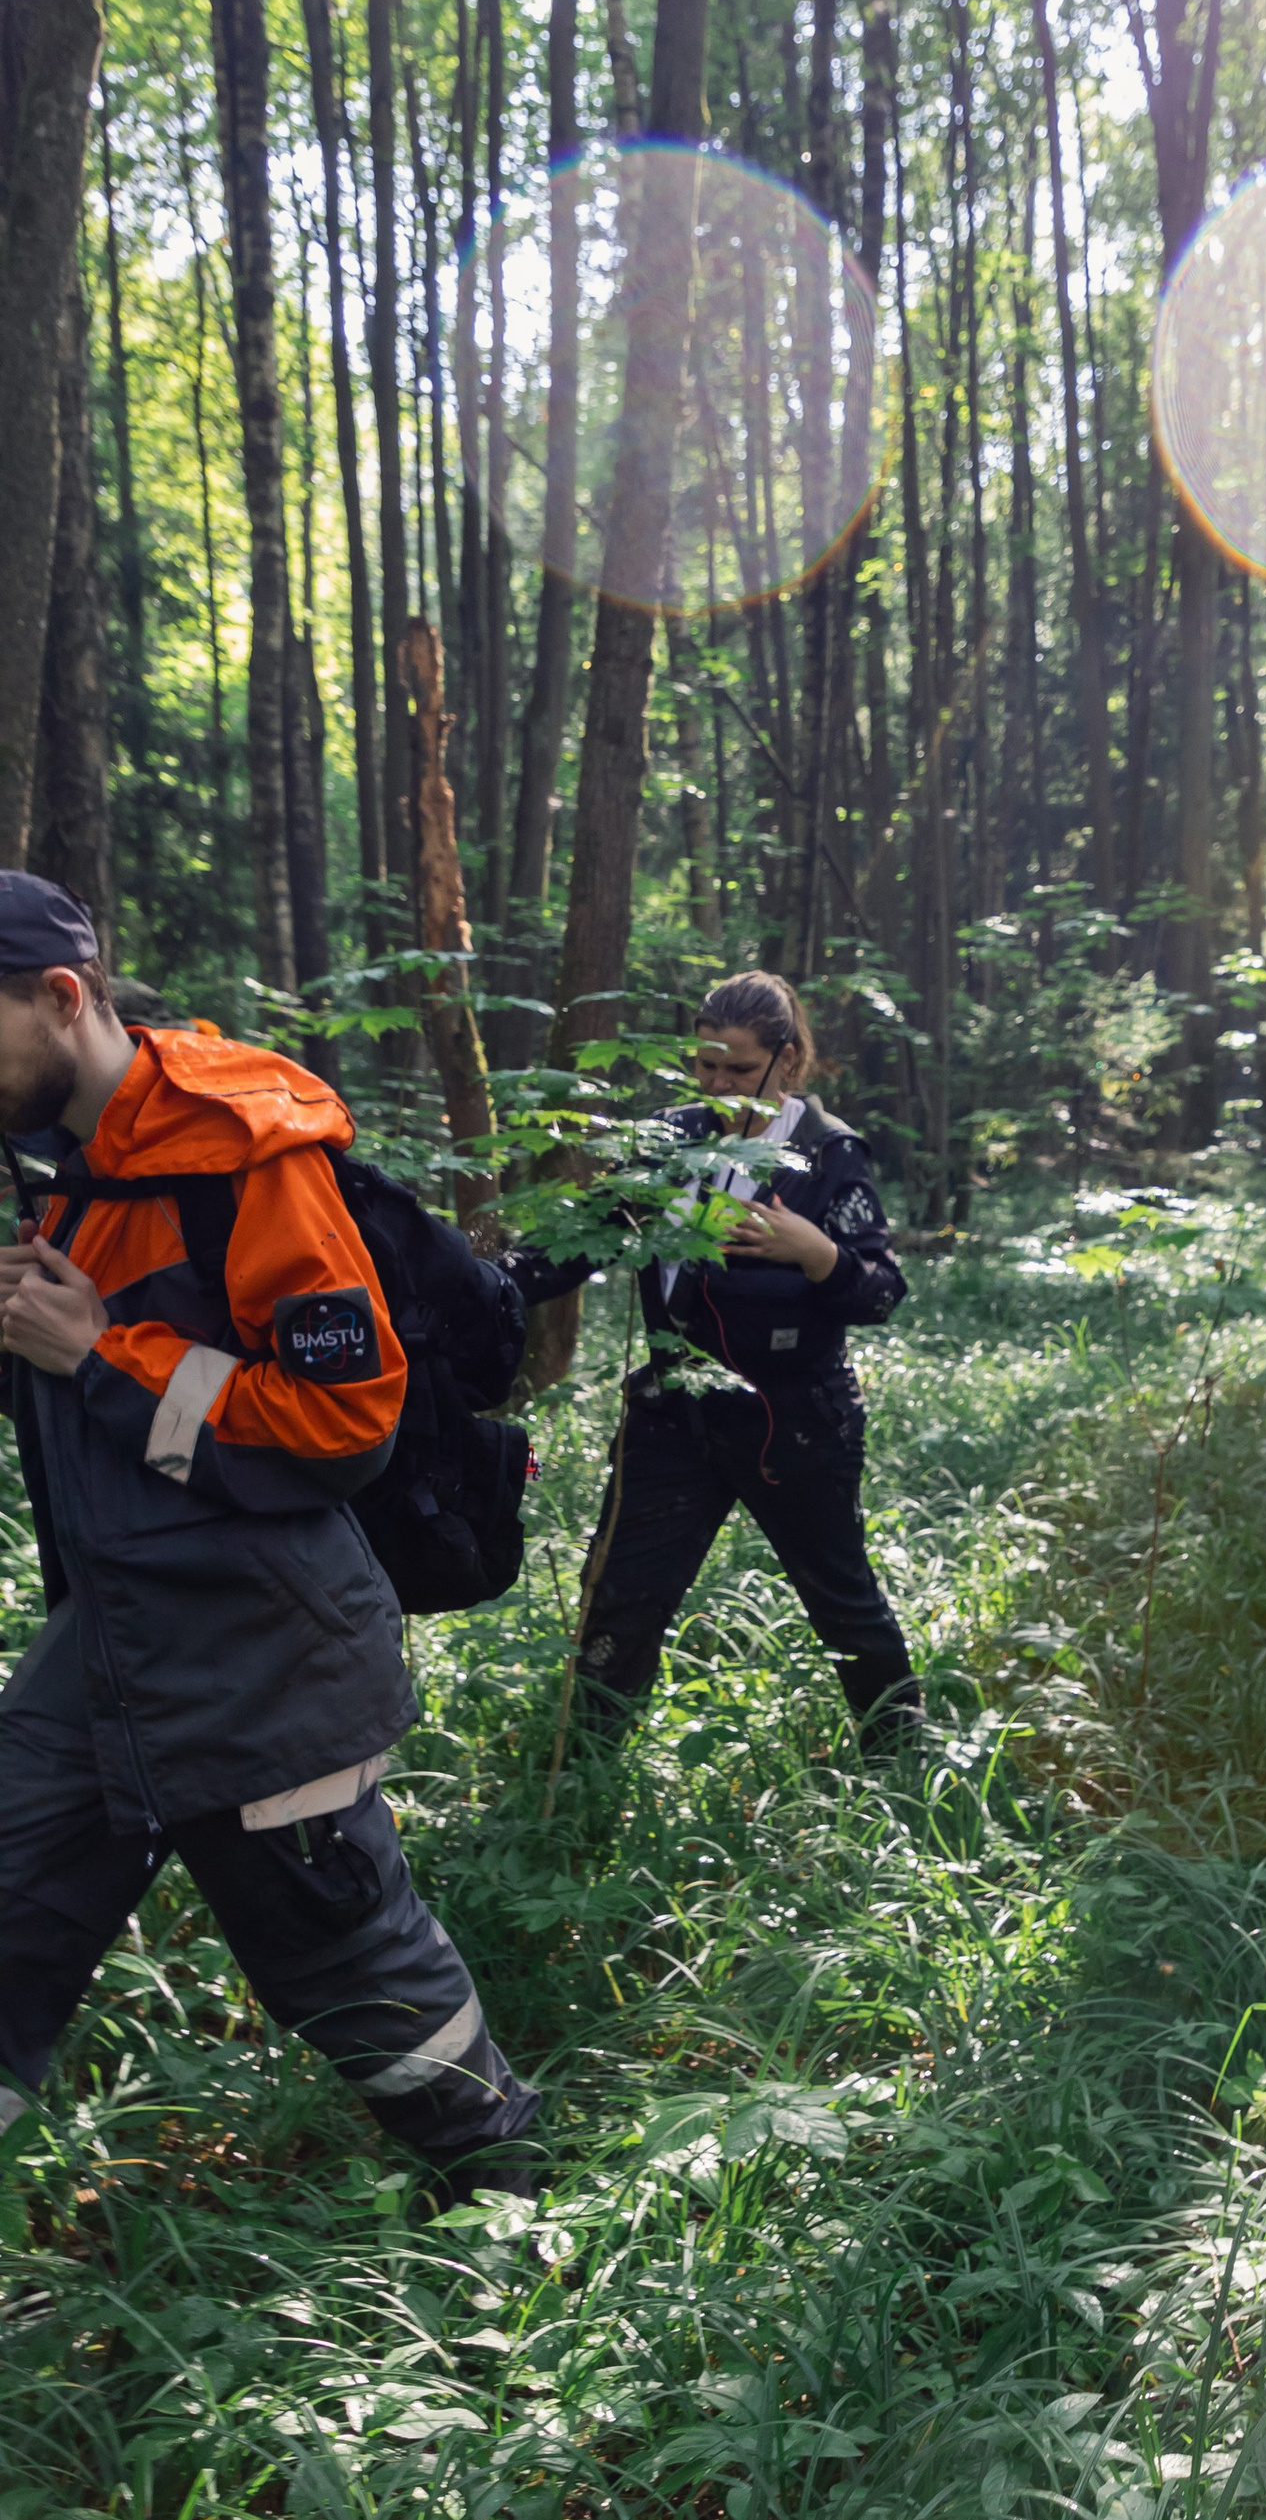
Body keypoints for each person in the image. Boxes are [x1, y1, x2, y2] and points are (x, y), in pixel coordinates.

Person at [0, 875, 542, 2206]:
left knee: (369, 1988)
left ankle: (532, 2227)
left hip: (260, 1667)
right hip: (111, 1658)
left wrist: (99, 1358)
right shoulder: (65, 1171)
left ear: (62, 999)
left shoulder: (244, 1153)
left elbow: (344, 1421)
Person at [521, 970, 918, 1745]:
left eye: (739, 1069)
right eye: (705, 1066)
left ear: (789, 1061)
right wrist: (480, 1281)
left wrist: (816, 1254)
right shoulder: (667, 1141)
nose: (720, 1084)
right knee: (621, 1593)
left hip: (793, 1419)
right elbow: (574, 1246)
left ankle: (902, 1757)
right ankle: (580, 1770)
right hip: (673, 1411)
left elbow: (880, 1294)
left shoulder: (827, 1155)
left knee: (840, 1598)